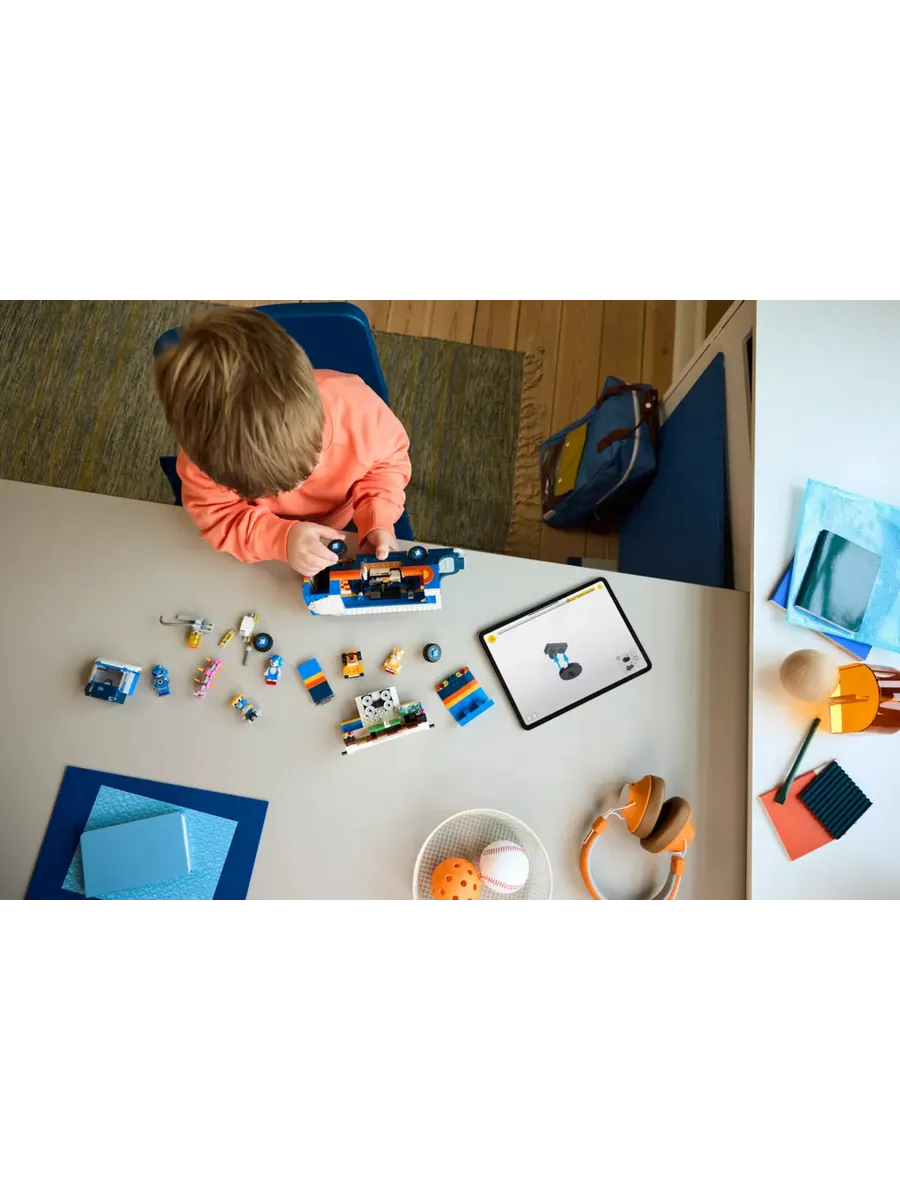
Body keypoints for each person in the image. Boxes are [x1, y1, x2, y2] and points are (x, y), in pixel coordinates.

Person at [154, 306, 411, 576]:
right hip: (263, 543)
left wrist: (377, 518)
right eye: (264, 489)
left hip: (347, 521)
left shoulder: (357, 409)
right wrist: (281, 539)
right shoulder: (206, 457)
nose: (295, 488)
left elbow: (388, 465)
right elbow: (218, 516)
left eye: (307, 467)